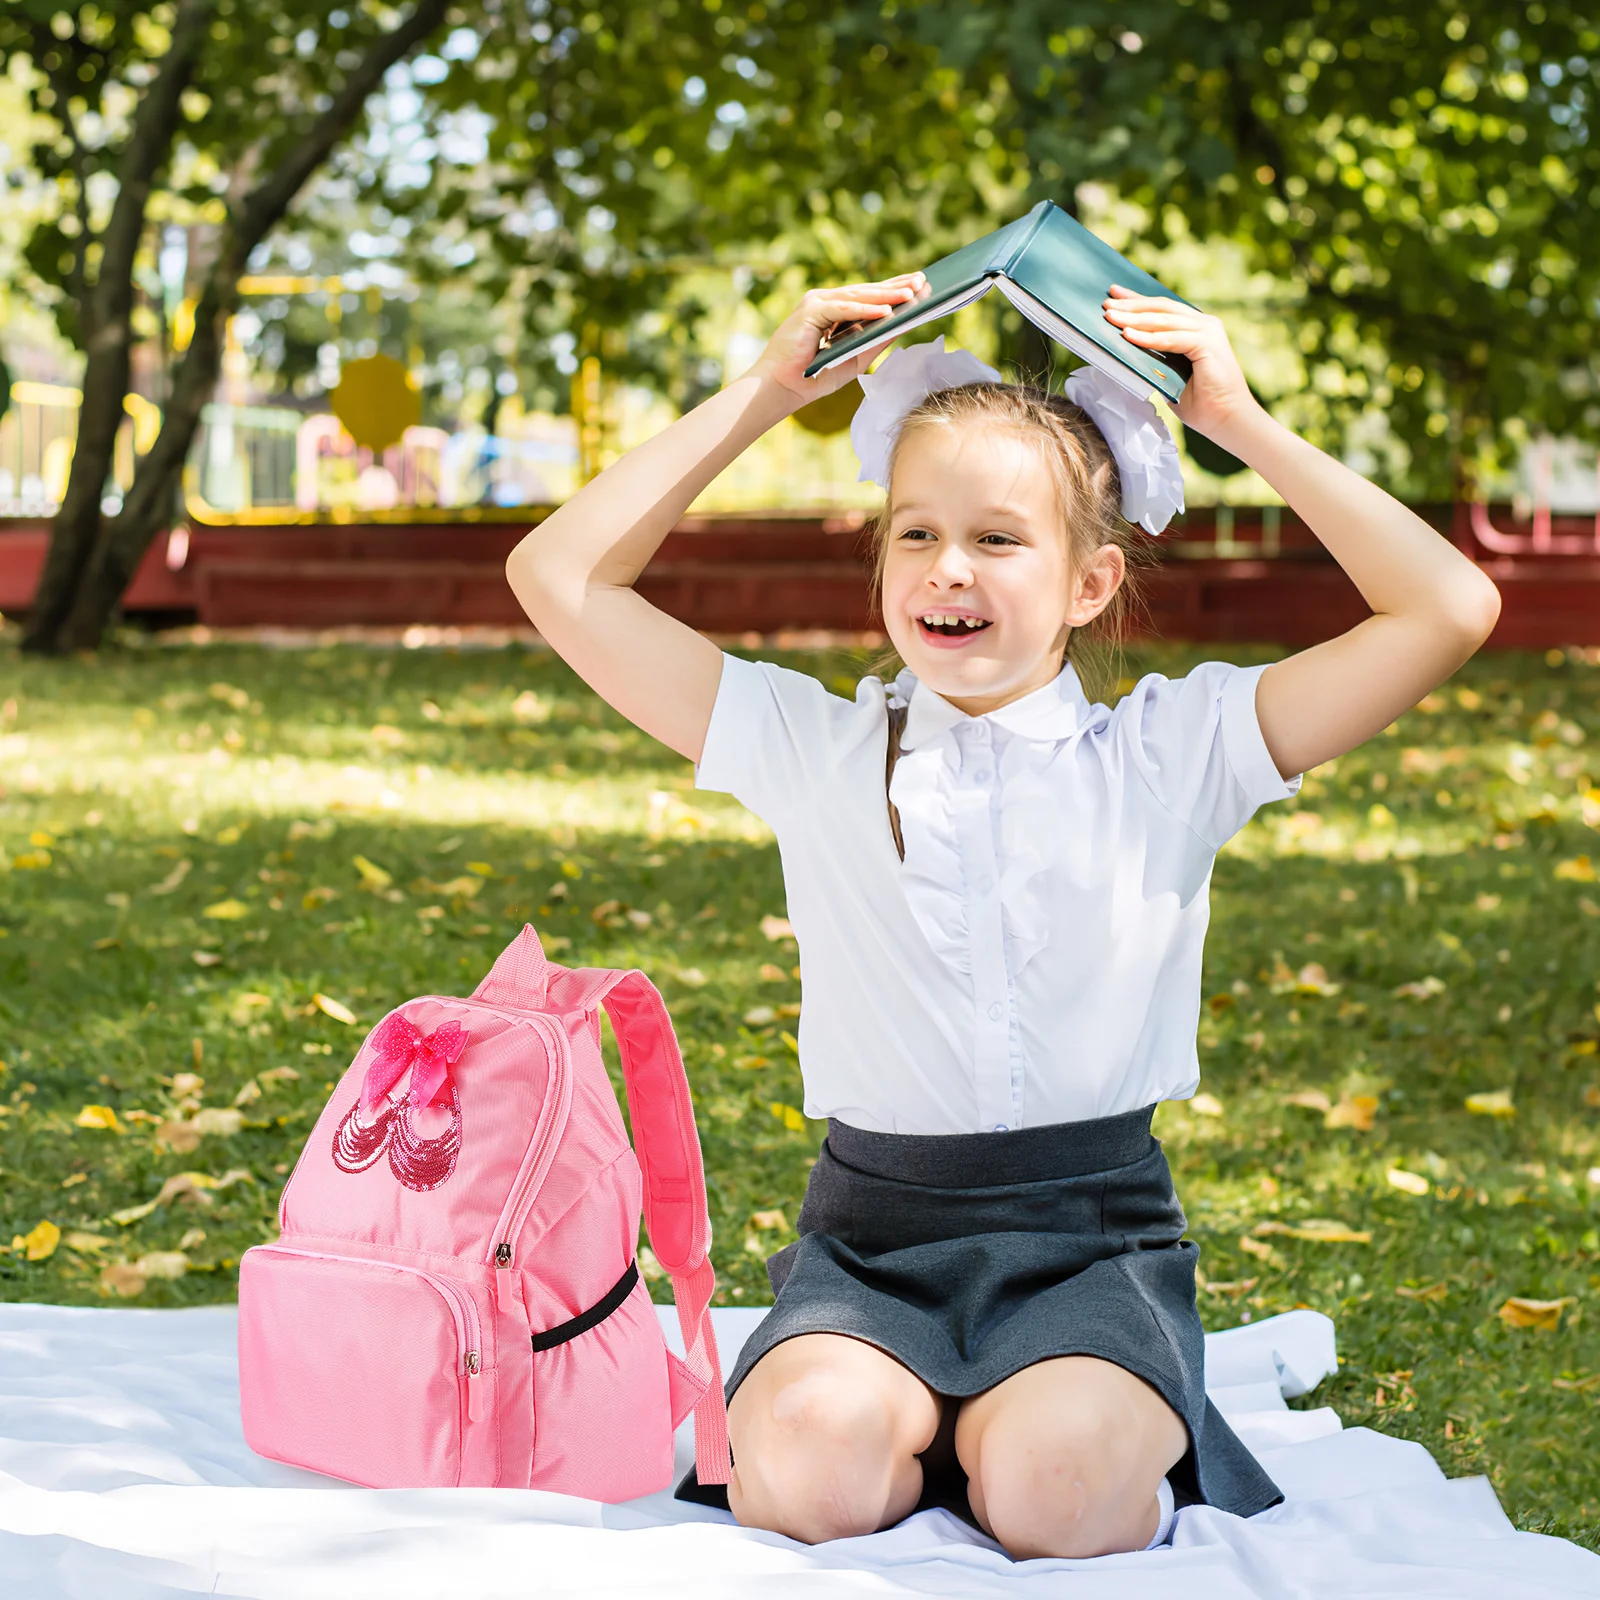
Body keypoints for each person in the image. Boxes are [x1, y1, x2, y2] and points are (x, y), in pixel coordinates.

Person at [504, 272, 1501, 1558]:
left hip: (1091, 1242)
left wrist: (1241, 422)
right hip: (873, 1243)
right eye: (912, 534)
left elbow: (1450, 608)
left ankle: (1028, 1431)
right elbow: (559, 574)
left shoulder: (1174, 751)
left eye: (997, 537)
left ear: (1091, 583)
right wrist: (761, 397)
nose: (948, 568)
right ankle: (922, 1427)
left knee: (1062, 1497)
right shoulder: (815, 745)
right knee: (800, 1478)